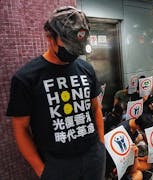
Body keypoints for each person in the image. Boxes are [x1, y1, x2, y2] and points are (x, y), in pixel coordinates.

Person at [6, 6, 106, 180]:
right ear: (49, 36)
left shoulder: (86, 69)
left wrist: (101, 147)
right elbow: (20, 129)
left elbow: (96, 109)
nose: (73, 53)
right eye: (68, 46)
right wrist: (43, 171)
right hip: (57, 166)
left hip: (93, 157)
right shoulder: (26, 78)